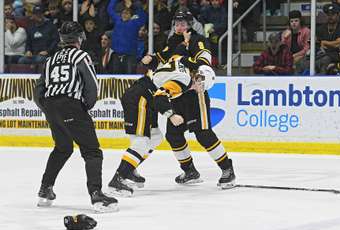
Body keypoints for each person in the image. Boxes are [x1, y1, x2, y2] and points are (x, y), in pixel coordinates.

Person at [142, 11, 236, 189]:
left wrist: (185, 59)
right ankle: (190, 171)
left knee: (203, 134)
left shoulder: (197, 39)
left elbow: (204, 62)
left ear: (190, 24)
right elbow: (165, 58)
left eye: (183, 23)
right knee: (173, 135)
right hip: (176, 92)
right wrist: (152, 59)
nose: (179, 26)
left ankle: (227, 169)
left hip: (194, 92)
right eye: (177, 23)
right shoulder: (173, 41)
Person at [34, 21, 118, 212]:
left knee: (62, 148)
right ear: (80, 38)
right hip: (71, 105)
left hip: (51, 106)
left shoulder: (50, 60)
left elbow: (38, 91)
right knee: (92, 151)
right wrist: (84, 106)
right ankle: (96, 195)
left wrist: (48, 109)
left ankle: (45, 189)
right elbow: (91, 85)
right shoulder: (81, 55)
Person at [108, 57, 216, 195]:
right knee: (141, 142)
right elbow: (160, 95)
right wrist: (172, 115)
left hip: (145, 97)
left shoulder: (182, 67)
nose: (200, 90)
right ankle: (118, 179)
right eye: (202, 86)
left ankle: (129, 170)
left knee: (155, 137)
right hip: (141, 98)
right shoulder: (185, 80)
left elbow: (161, 67)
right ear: (199, 79)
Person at [316, 3, 340, 74]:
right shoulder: (321, 28)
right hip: (322, 54)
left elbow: (338, 44)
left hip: (337, 54)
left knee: (325, 60)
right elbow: (316, 42)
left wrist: (324, 42)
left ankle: (321, 82)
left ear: (338, 14)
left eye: (332, 14)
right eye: (328, 14)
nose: (330, 17)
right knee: (303, 62)